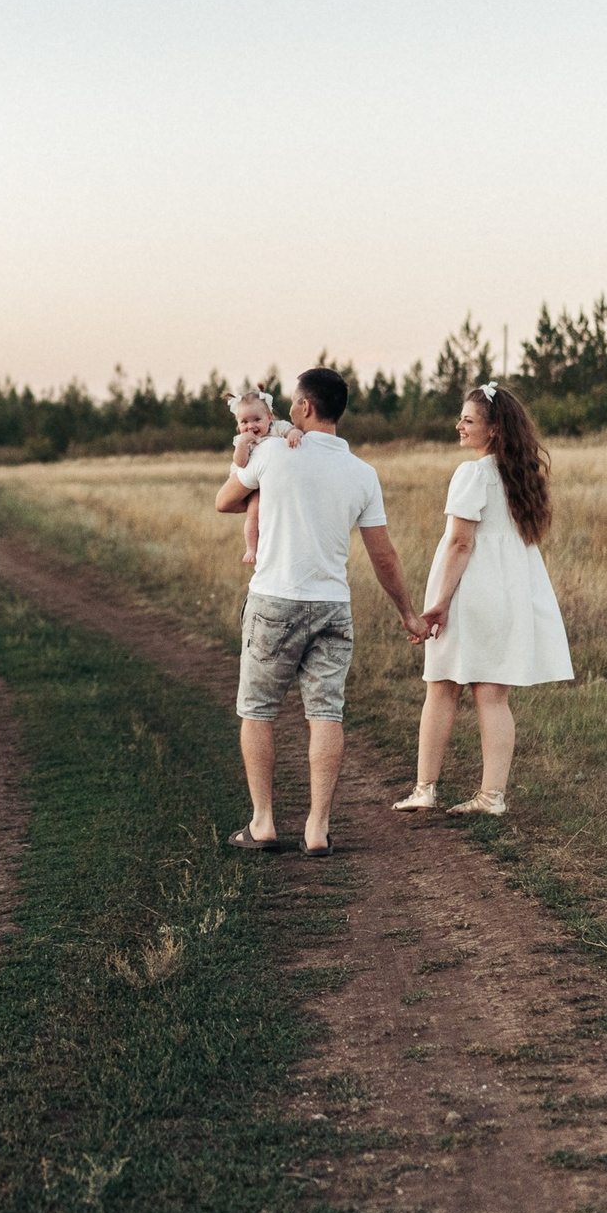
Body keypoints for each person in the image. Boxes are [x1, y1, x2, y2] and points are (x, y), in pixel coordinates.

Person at [217, 367, 423, 857]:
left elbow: (226, 500)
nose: (287, 411)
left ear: (306, 408)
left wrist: (244, 462)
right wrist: (408, 614)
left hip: (274, 601)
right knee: (326, 714)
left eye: (291, 403)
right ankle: (317, 829)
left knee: (258, 711)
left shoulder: (270, 454)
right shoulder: (363, 474)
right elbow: (384, 555)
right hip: (333, 607)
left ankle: (263, 823)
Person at [394, 381, 575, 818]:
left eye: (468, 420)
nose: (459, 426)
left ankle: (425, 789)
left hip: (471, 591)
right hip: (509, 592)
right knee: (493, 696)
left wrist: (439, 602)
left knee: (441, 688)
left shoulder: (472, 473)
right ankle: (492, 797)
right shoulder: (519, 475)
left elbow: (460, 543)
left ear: (493, 429)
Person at [228, 387, 304, 564]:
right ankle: (251, 548)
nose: (250, 426)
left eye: (256, 419)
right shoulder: (242, 440)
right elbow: (241, 463)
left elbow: (293, 431)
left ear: (269, 416)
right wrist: (242, 446)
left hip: (273, 480)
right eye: (244, 422)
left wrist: (294, 434)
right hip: (253, 484)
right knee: (253, 513)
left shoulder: (277, 427)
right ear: (238, 424)